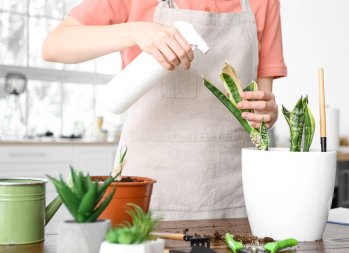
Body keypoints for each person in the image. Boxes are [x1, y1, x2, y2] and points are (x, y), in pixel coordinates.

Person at [42, 0, 287, 220]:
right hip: (148, 188)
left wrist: (267, 112)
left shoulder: (264, 3)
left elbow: (262, 108)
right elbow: (54, 45)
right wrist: (136, 30)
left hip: (234, 192)